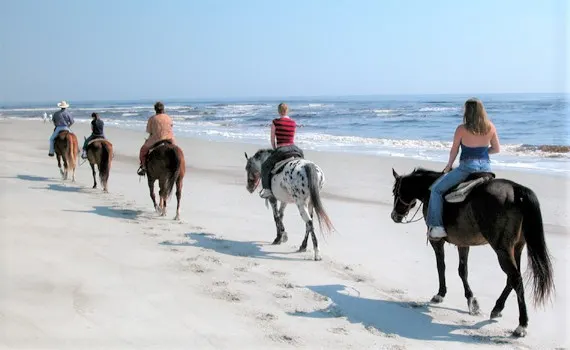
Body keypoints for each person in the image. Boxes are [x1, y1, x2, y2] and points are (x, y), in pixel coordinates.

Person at [426, 98, 501, 240]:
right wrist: (483, 153)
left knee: (436, 190)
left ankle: (437, 228)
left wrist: (448, 166)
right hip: (486, 168)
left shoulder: (461, 129)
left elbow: (454, 150)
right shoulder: (490, 126)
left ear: (467, 111)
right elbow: (497, 149)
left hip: (468, 168)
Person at [259, 102, 304, 199]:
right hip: (294, 148)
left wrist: (275, 149)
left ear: (278, 111)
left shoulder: (275, 122)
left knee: (265, 166)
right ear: (288, 111)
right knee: (303, 161)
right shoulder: (293, 122)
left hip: (282, 149)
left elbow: (272, 139)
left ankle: (267, 190)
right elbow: (292, 138)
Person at [137, 101, 175, 176]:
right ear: (163, 109)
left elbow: (149, 131)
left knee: (143, 151)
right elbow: (171, 127)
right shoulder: (168, 117)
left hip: (157, 140)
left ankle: (144, 167)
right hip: (170, 139)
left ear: (155, 109)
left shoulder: (152, 118)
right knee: (175, 151)